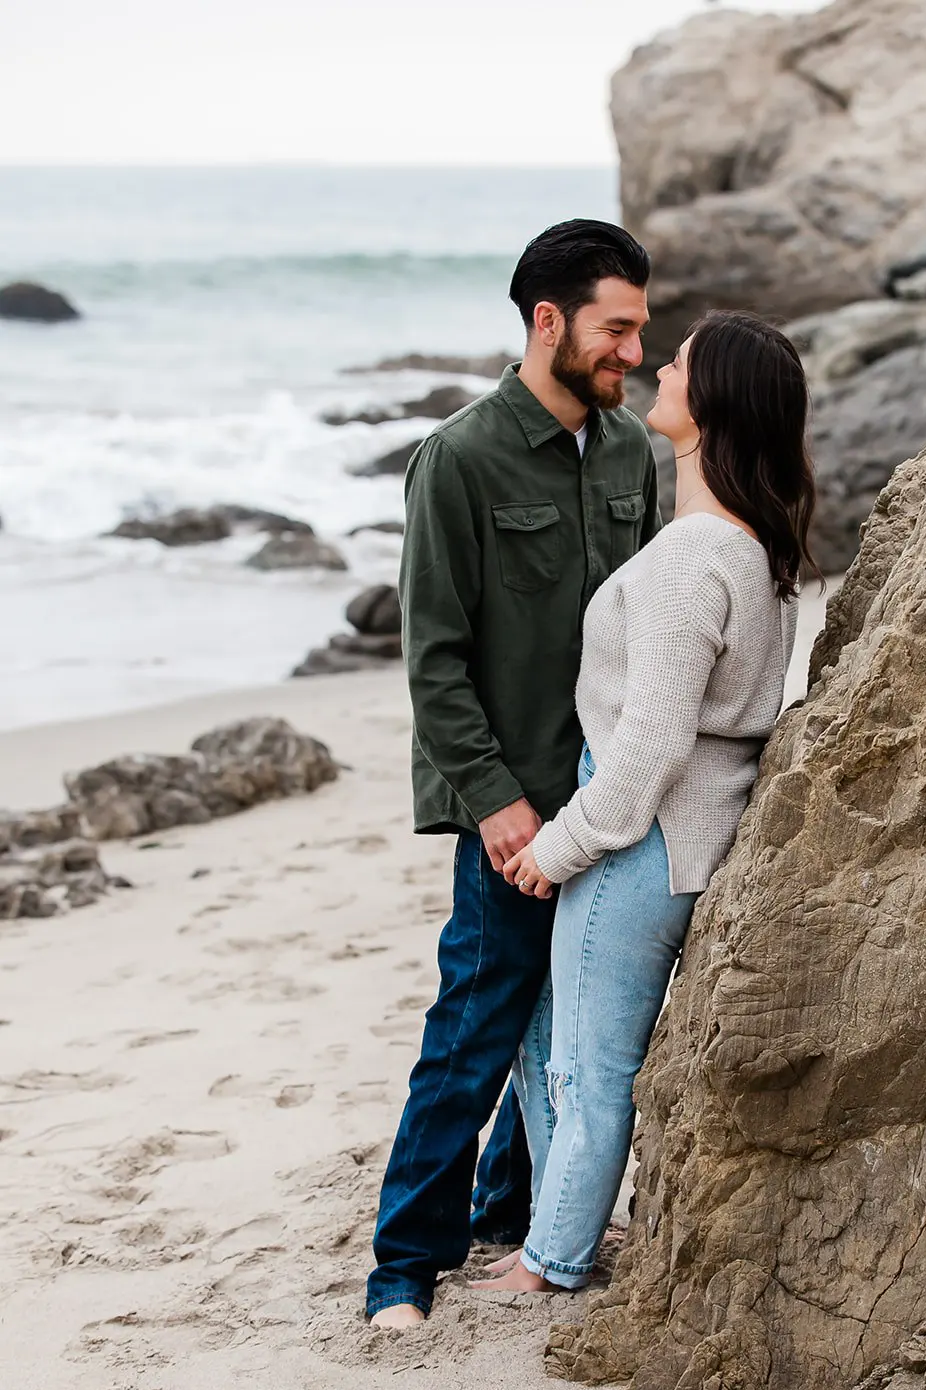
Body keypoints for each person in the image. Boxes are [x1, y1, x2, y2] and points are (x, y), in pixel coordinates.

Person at [471, 309, 823, 1298]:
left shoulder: (689, 557)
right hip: (683, 841)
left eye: (680, 362)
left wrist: (559, 846)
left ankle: (551, 1261)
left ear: (707, 405)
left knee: (588, 1061)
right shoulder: (751, 549)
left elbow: (650, 745)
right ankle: (559, 1225)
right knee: (553, 1033)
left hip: (640, 841)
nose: (659, 367)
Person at [365, 219, 662, 1327]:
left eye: (638, 329)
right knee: (480, 1020)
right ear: (549, 322)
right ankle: (403, 1262)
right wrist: (497, 806)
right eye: (614, 328)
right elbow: (431, 659)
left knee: (567, 1020)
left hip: (605, 801)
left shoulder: (635, 454)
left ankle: (510, 1205)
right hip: (509, 802)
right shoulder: (458, 459)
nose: (631, 349)